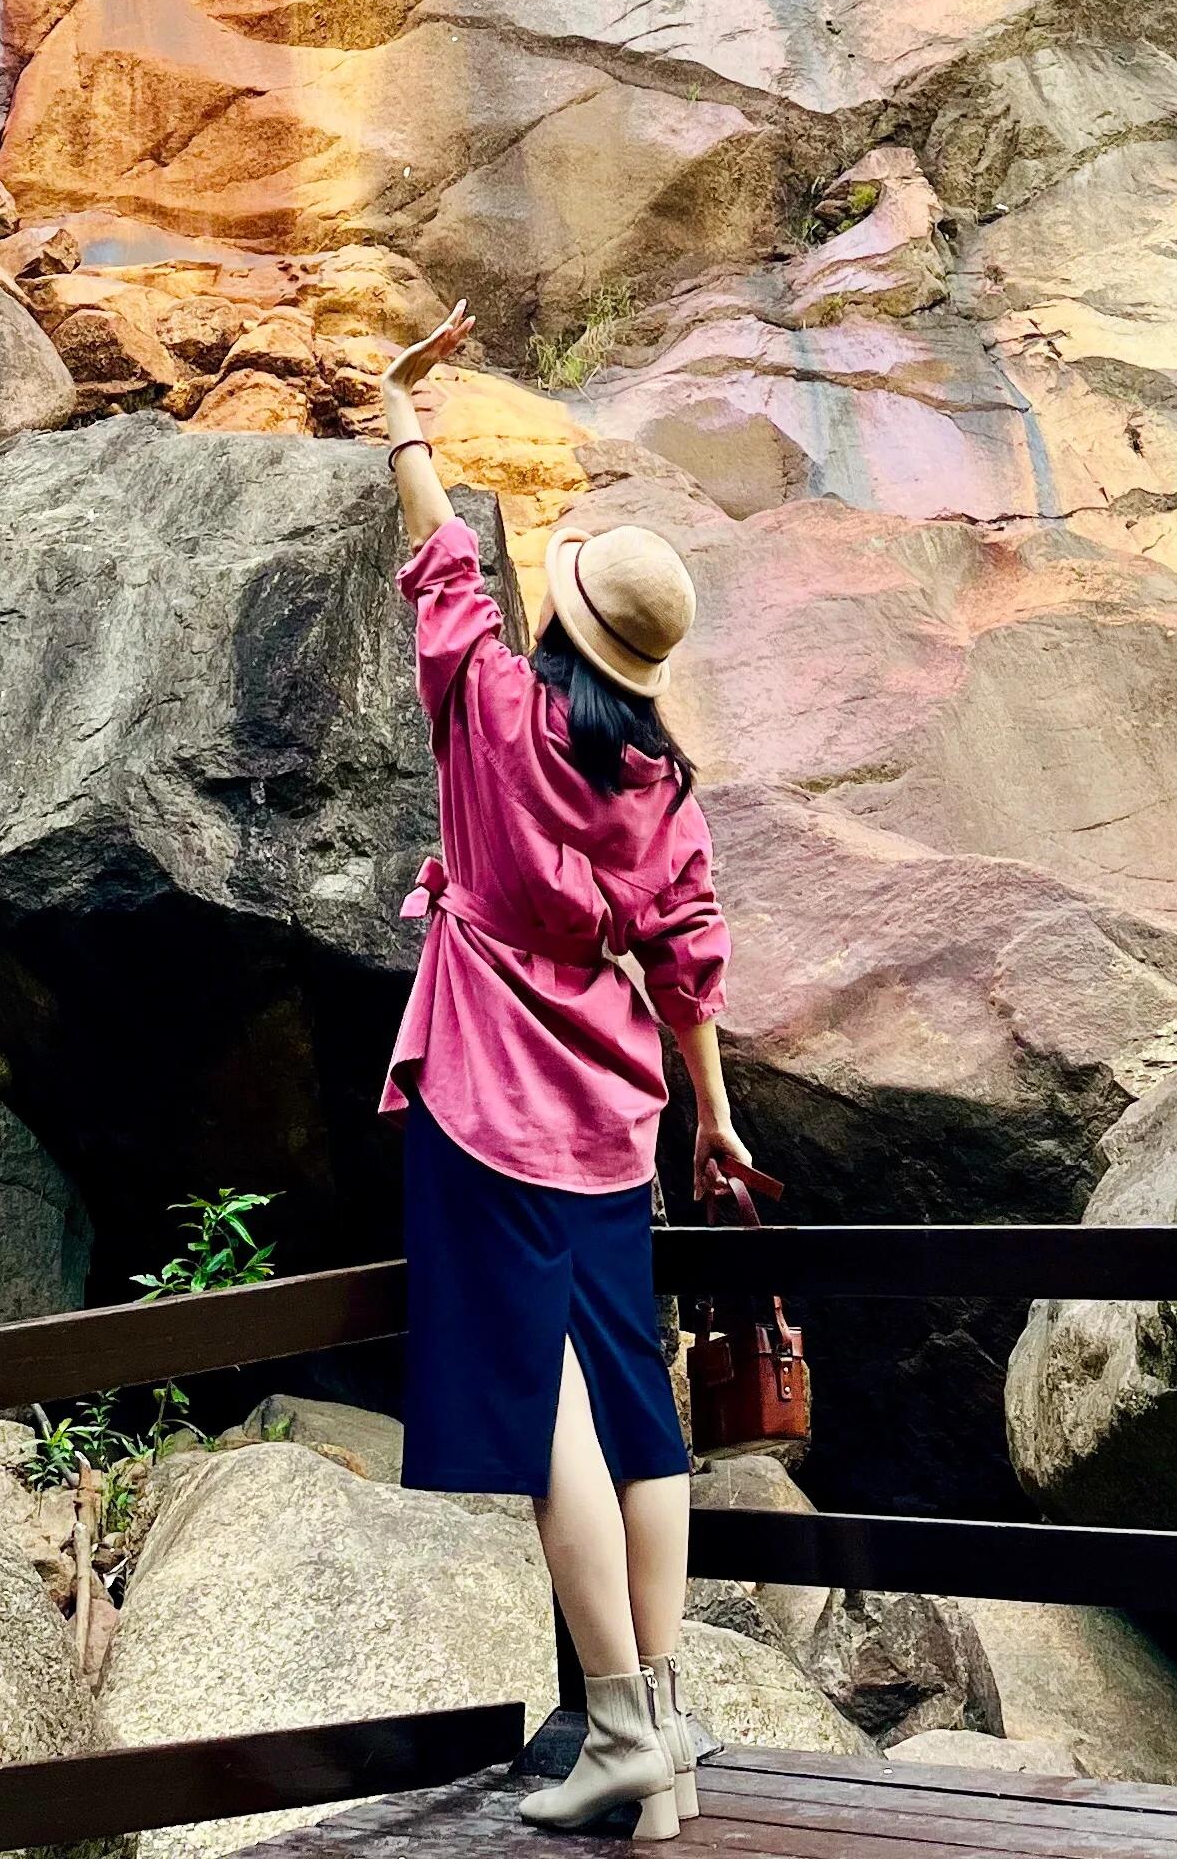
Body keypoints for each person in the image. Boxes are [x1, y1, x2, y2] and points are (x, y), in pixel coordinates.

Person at [376, 297, 752, 1845]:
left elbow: (438, 550)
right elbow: (690, 960)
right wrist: (715, 1121)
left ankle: (614, 1726)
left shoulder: (487, 701)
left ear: (562, 618)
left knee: (546, 1411)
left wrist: (404, 414)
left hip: (487, 1085)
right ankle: (658, 1739)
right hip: (617, 1106)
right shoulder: (657, 780)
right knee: (634, 1401)